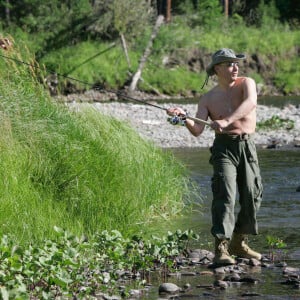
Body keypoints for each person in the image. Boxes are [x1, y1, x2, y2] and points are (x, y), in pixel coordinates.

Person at [167, 48, 263, 265]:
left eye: (236, 63)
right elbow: (197, 130)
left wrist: (226, 120)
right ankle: (221, 247)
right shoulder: (208, 99)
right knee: (225, 195)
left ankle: (239, 242)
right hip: (223, 149)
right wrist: (182, 118)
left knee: (252, 195)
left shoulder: (247, 83)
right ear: (217, 68)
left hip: (246, 146)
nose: (235, 67)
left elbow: (250, 104)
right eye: (230, 64)